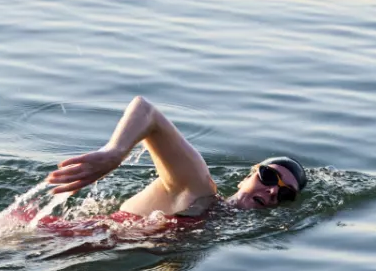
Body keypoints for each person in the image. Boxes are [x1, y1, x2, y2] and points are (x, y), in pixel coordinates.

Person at [22, 95, 306, 229]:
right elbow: (147, 112)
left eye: (285, 194)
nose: (272, 191)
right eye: (268, 177)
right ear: (246, 177)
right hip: (24, 238)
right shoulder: (197, 188)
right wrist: (114, 153)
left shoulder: (216, 228)